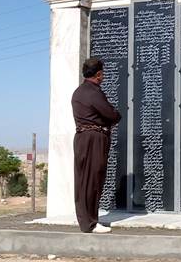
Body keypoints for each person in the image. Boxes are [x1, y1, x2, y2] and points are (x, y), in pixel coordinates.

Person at [71, 58, 121, 233]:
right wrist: (114, 115)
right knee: (92, 180)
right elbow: (112, 114)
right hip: (94, 138)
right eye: (103, 72)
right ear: (98, 74)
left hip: (84, 138)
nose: (104, 75)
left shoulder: (79, 92)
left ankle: (88, 221)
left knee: (85, 180)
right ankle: (90, 223)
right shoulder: (93, 92)